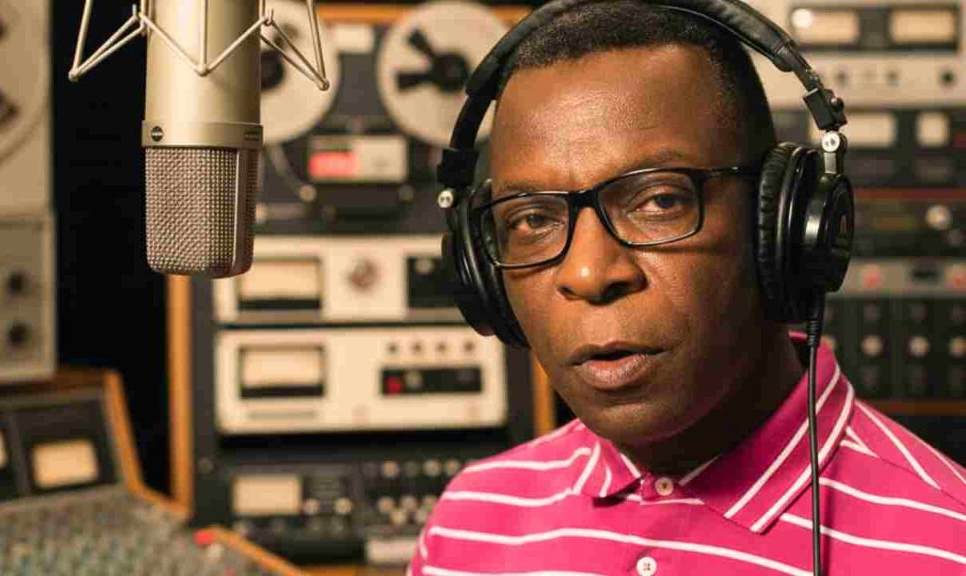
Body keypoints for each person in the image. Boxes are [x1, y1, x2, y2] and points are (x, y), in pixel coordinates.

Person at [408, 2, 966, 574]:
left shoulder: (948, 546)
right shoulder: (465, 526)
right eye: (532, 219)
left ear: (784, 225)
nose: (589, 274)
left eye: (658, 200)